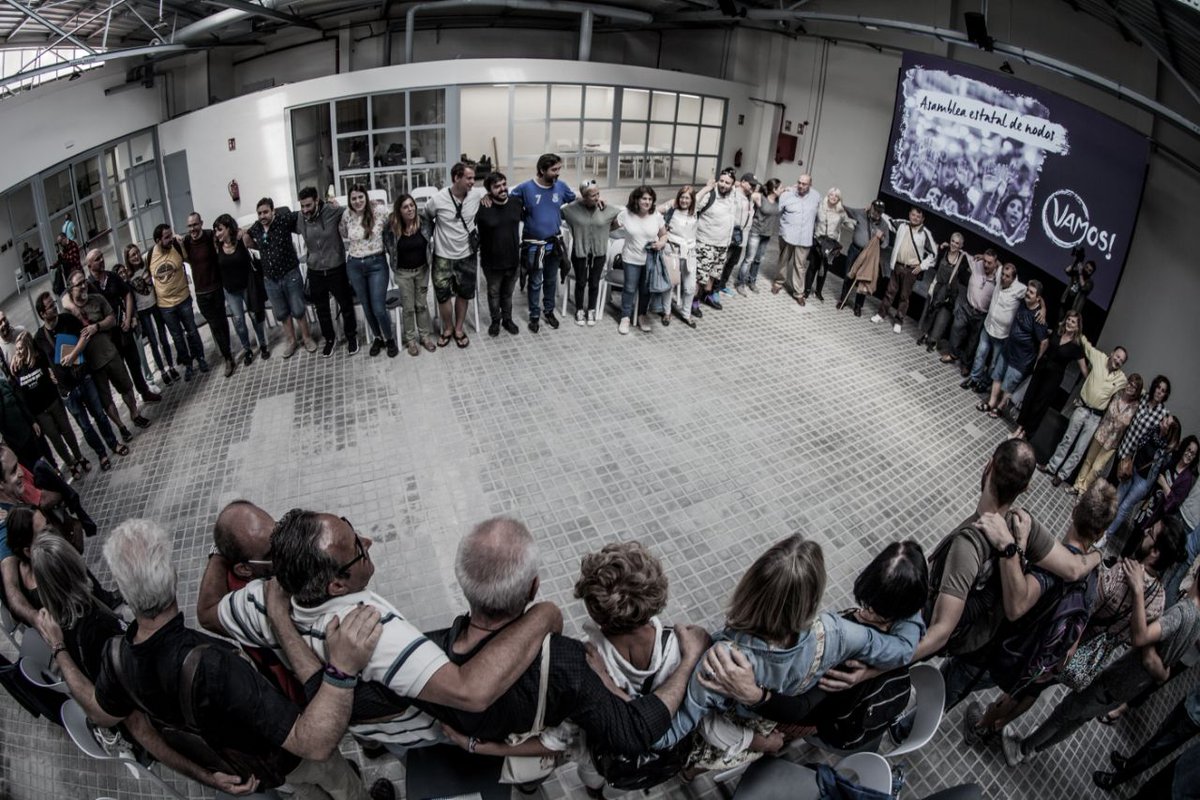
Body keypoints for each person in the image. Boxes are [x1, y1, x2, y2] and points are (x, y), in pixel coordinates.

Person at [55, 518, 380, 798]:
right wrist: (342, 668)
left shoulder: (115, 658)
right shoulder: (213, 665)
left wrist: (204, 775)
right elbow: (313, 744)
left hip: (251, 767)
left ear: (123, 590)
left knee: (308, 793)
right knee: (341, 784)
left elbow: (132, 727)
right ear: (172, 574)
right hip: (288, 755)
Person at [214, 509, 565, 753]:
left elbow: (205, 613)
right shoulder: (373, 633)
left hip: (364, 723)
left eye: (353, 530)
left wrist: (220, 555)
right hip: (412, 732)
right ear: (336, 586)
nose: (368, 541)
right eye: (357, 550)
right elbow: (470, 692)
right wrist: (546, 613)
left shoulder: (260, 599)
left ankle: (371, 744)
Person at [417, 522, 708, 772]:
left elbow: (556, 743)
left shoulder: (585, 661)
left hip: (601, 761)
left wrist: (477, 747)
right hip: (665, 756)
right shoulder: (685, 644)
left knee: (593, 779)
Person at [652, 534, 924, 774]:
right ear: (813, 597)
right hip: (770, 723)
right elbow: (902, 650)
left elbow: (665, 735)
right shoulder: (836, 633)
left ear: (750, 586)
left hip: (745, 728)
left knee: (700, 759)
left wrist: (687, 662)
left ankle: (689, 772)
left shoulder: (721, 661)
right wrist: (907, 597)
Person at [905, 439, 1102, 710]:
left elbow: (941, 631)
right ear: (1026, 487)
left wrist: (890, 661)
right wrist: (1098, 555)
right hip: (979, 641)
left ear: (988, 467)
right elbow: (1074, 568)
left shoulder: (969, 544)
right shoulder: (1023, 524)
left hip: (946, 638)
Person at [957, 480, 1115, 746]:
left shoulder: (1054, 565)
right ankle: (986, 725)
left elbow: (1017, 605)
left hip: (1000, 651)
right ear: (1100, 534)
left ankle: (907, 725)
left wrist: (1014, 547)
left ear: (1074, 510)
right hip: (1029, 666)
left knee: (953, 680)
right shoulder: (1093, 579)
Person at [1006, 559, 1200, 765]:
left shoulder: (1181, 613)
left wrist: (1137, 592)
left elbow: (1141, 638)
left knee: (1065, 713)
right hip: (1129, 687)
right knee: (1077, 719)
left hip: (1119, 680)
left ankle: (1021, 750)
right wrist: (1159, 666)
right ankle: (1036, 747)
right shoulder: (1197, 621)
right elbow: (1166, 670)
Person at [194, 500, 306, 704]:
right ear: (244, 569)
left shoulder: (228, 579)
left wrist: (219, 551)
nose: (284, 549)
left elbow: (206, 609)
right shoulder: (253, 603)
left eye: (278, 530)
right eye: (271, 554)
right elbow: (206, 614)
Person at [32, 292, 126, 472]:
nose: (54, 307)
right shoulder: (39, 337)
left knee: (99, 414)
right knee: (85, 425)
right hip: (67, 390)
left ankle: (113, 444)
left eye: (53, 303)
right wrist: (50, 374)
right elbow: (42, 363)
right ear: (43, 314)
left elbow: (85, 336)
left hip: (84, 378)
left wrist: (74, 354)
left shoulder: (67, 319)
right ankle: (101, 454)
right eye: (50, 306)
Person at [65, 269, 150, 436]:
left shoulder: (97, 299)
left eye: (84, 282)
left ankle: (135, 414)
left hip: (111, 353)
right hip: (93, 365)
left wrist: (96, 326)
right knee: (106, 400)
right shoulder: (68, 313)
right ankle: (121, 427)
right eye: (79, 284)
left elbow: (111, 319)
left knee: (126, 386)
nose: (83, 286)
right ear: (70, 289)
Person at [1041, 339, 1129, 486]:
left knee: (1079, 449)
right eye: (1118, 356)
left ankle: (1061, 475)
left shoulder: (1121, 379)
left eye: (1122, 360)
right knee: (1067, 440)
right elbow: (1086, 345)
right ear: (1112, 353)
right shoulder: (1099, 357)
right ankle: (1051, 467)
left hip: (1095, 417)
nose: (1118, 360)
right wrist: (1078, 332)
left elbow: (1136, 387)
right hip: (1082, 408)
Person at [82, 249, 163, 404]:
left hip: (123, 330)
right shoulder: (89, 286)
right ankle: (131, 402)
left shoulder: (112, 277)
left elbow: (126, 293)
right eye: (97, 259)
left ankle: (144, 392)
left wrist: (129, 317)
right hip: (108, 337)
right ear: (89, 264)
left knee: (134, 363)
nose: (101, 260)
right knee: (120, 372)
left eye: (101, 256)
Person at [244, 198, 318, 359]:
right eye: (259, 213)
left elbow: (302, 214)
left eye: (265, 212)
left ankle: (307, 338)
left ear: (273, 211)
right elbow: (246, 238)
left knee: (298, 309)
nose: (262, 215)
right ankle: (291, 341)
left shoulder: (284, 220)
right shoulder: (256, 228)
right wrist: (258, 247)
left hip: (290, 274)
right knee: (282, 313)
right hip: (270, 279)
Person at [510, 153, 576, 332]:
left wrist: (596, 199)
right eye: (554, 169)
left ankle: (549, 311)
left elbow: (575, 199)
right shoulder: (525, 188)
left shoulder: (561, 187)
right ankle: (534, 315)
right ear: (542, 170)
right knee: (535, 281)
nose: (558, 173)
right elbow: (509, 201)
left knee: (550, 280)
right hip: (533, 244)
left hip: (554, 243)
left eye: (559, 169)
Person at [1092, 681, 1200, 790]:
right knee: (1157, 738)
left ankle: (1115, 780)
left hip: (1194, 720)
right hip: (1190, 702)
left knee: (1155, 751)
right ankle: (1128, 764)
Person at [8, 331, 86, 480]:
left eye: (21, 348)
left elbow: (49, 363)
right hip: (39, 412)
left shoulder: (39, 358)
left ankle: (79, 457)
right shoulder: (17, 368)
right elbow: (21, 396)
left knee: (67, 431)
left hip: (53, 402)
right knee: (55, 438)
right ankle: (71, 464)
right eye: (17, 349)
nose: (18, 351)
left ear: (29, 347)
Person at [291, 186, 356, 358]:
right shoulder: (299, 217)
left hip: (336, 268)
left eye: (308, 205)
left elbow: (354, 210)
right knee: (322, 309)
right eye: (302, 206)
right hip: (315, 271)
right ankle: (329, 339)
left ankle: (351, 337)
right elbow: (279, 218)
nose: (305, 210)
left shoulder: (332, 211)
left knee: (346, 305)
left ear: (317, 200)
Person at [422, 162, 481, 347]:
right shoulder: (438, 199)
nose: (473, 182)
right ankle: (447, 328)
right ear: (456, 178)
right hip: (443, 256)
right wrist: (427, 245)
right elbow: (425, 216)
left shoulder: (477, 196)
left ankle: (458, 329)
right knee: (443, 295)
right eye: (469, 178)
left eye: (473, 178)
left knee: (464, 294)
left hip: (467, 255)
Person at [976, 279, 1049, 419]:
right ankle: (991, 402)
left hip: (1021, 360)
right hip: (1007, 350)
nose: (1027, 293)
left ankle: (1000, 407)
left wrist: (1037, 362)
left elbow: (1044, 342)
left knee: (1008, 385)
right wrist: (1043, 305)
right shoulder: (1023, 302)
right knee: (997, 376)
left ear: (1038, 298)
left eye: (1031, 293)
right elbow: (1031, 294)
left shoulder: (1039, 318)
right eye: (1028, 290)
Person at [1011, 309, 1087, 442]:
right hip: (1041, 369)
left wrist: (1090, 384)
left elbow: (1084, 370)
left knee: (1039, 405)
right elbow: (1044, 344)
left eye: (1073, 321)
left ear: (1077, 327)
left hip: (1053, 378)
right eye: (1068, 319)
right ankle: (1019, 428)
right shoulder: (1057, 332)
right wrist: (1037, 361)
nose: (1069, 322)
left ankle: (1026, 433)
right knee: (1029, 397)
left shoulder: (1076, 347)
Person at [148, 224, 209, 378]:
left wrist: (179, 242)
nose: (170, 239)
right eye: (166, 237)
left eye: (171, 235)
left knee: (192, 330)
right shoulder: (150, 255)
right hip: (165, 306)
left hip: (183, 299)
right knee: (177, 337)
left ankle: (201, 358)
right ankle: (188, 364)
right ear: (157, 240)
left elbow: (189, 259)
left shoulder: (176, 245)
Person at [340, 185, 395, 357]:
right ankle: (377, 337)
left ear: (366, 197)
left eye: (360, 197)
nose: (357, 201)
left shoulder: (379, 210)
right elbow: (342, 232)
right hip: (354, 265)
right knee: (367, 306)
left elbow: (396, 217)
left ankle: (389, 338)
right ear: (350, 200)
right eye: (354, 198)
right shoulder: (347, 214)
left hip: (376, 263)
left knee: (378, 307)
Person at [181, 213, 237, 377]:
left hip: (216, 288)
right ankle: (227, 354)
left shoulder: (210, 235)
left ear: (201, 223)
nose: (193, 229)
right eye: (190, 226)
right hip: (201, 292)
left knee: (221, 322)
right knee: (215, 324)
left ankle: (227, 357)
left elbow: (228, 235)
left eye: (195, 225)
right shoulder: (186, 242)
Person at [1107, 416, 1183, 536]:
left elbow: (1162, 469)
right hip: (1132, 470)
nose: (1162, 420)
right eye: (1165, 418)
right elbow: (1139, 446)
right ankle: (1102, 526)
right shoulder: (1153, 430)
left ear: (1169, 431)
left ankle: (1107, 534)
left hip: (1143, 481)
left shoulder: (1167, 451)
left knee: (1124, 507)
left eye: (1165, 422)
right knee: (1116, 499)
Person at [383, 194, 437, 354]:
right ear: (399, 210)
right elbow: (387, 244)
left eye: (412, 205)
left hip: (422, 271)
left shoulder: (424, 223)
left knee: (421, 305)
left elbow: (437, 222)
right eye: (405, 207)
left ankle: (425, 337)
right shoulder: (392, 227)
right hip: (403, 273)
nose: (410, 209)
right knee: (408, 308)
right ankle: (411, 340)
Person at [213, 214, 269, 364]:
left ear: (229, 228)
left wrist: (245, 232)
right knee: (239, 322)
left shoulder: (241, 240)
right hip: (231, 291)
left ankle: (262, 344)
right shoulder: (216, 246)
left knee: (254, 317)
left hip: (247, 286)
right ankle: (247, 350)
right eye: (215, 230)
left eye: (219, 230)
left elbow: (260, 244)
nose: (217, 233)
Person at [561, 179, 619, 326]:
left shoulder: (605, 209)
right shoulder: (571, 210)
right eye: (593, 195)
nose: (597, 197)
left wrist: (604, 231)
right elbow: (556, 212)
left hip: (599, 253)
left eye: (598, 194)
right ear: (584, 196)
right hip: (580, 252)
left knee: (594, 283)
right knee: (580, 282)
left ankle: (591, 309)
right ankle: (579, 309)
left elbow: (621, 218)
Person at [1072, 375, 1144, 493]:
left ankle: (1083, 490)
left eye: (1134, 387)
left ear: (1137, 391)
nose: (1130, 387)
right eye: (1129, 383)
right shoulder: (1117, 394)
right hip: (1101, 432)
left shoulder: (1135, 406)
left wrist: (1117, 418)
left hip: (1113, 441)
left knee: (1097, 468)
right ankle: (1076, 486)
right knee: (1088, 461)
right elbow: (1109, 411)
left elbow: (1125, 421)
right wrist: (1117, 419)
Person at [475, 173, 526, 338]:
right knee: (493, 294)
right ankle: (495, 321)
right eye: (497, 186)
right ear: (489, 191)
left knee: (508, 294)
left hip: (512, 260)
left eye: (504, 184)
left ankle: (507, 320)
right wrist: (482, 198)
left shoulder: (516, 203)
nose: (503, 188)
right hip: (491, 263)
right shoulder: (482, 207)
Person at [872, 207, 937, 333]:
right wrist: (876, 209)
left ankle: (898, 321)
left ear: (922, 219)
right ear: (909, 214)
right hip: (897, 265)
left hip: (911, 270)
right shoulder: (902, 224)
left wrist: (922, 266)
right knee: (889, 292)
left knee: (904, 297)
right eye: (913, 215)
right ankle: (880, 315)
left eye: (918, 216)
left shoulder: (925, 233)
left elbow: (933, 254)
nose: (915, 218)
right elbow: (888, 220)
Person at [615, 185, 668, 335]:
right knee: (629, 288)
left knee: (645, 290)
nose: (647, 202)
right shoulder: (626, 214)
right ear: (636, 199)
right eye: (644, 198)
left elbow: (664, 234)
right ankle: (625, 317)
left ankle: (641, 315)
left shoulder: (656, 215)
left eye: (650, 199)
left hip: (650, 259)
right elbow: (610, 226)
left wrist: (662, 243)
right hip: (631, 258)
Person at [123, 244, 178, 385]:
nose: (135, 257)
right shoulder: (128, 277)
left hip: (155, 306)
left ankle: (171, 366)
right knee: (153, 342)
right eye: (132, 256)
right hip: (143, 311)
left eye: (136, 253)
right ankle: (163, 371)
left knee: (163, 338)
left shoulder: (146, 266)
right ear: (128, 259)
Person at [693, 168, 741, 311]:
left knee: (713, 274)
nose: (723, 185)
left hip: (723, 244)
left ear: (732, 185)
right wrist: (707, 187)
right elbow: (693, 204)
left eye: (727, 183)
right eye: (721, 181)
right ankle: (693, 302)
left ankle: (706, 296)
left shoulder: (732, 195)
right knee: (700, 276)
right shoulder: (710, 194)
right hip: (706, 242)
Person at [943, 249, 999, 371]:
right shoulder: (977, 264)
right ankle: (953, 354)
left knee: (973, 341)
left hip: (982, 314)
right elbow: (963, 252)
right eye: (985, 261)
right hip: (967, 306)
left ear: (995, 263)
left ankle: (965, 364)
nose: (986, 264)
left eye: (990, 263)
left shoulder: (999, 277)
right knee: (956, 327)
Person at [837, 199, 892, 317]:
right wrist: (839, 202)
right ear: (871, 207)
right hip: (855, 250)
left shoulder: (884, 225)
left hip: (869, 255)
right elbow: (848, 210)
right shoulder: (861, 213)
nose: (876, 213)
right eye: (875, 210)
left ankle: (858, 306)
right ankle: (843, 299)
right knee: (849, 274)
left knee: (864, 279)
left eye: (879, 212)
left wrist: (881, 238)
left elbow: (886, 243)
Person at [772, 173, 820, 306]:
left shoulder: (816, 196)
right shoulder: (787, 194)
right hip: (788, 235)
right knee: (783, 260)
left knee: (800, 266)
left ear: (810, 185)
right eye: (799, 182)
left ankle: (799, 293)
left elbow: (818, 216)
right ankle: (778, 282)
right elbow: (777, 211)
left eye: (804, 184)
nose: (800, 186)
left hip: (805, 237)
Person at [917, 232, 968, 352]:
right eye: (952, 241)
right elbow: (932, 253)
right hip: (936, 288)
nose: (954, 244)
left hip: (949, 293)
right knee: (930, 312)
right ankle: (925, 335)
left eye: (957, 243)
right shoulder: (943, 251)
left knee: (942, 317)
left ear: (961, 245)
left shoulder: (962, 259)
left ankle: (933, 341)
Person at [734, 178, 782, 295]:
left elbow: (789, 191)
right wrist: (747, 183)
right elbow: (745, 189)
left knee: (758, 260)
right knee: (749, 259)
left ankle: (752, 282)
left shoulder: (779, 201)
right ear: (774, 189)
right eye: (780, 188)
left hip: (767, 235)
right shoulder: (760, 197)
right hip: (755, 232)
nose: (782, 189)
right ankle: (740, 283)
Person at [661, 185, 699, 327]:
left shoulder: (696, 211)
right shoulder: (672, 209)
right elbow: (654, 211)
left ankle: (686, 314)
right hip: (672, 250)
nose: (684, 200)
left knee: (689, 287)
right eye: (682, 197)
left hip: (690, 252)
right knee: (670, 284)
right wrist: (663, 228)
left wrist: (709, 187)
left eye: (687, 198)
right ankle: (666, 312)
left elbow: (701, 195)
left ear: (692, 200)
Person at [806, 186, 853, 302]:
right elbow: (811, 219)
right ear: (828, 195)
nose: (833, 197)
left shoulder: (841, 211)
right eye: (832, 194)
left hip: (831, 245)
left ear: (839, 199)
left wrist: (857, 225)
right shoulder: (820, 207)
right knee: (813, 266)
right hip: (818, 241)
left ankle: (818, 292)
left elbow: (849, 223)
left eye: (836, 196)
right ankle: (806, 290)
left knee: (824, 268)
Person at [1118, 375, 1173, 470]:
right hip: (1122, 446)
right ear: (1154, 387)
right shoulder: (1143, 397)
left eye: (1163, 391)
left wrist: (1170, 421)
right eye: (1158, 387)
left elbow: (1162, 439)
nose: (1159, 392)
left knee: (1117, 483)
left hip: (1133, 459)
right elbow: (1135, 389)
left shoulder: (1164, 414)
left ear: (1165, 395)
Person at [714, 172, 755, 297]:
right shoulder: (734, 194)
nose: (753, 187)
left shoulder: (750, 197)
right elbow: (721, 187)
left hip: (742, 237)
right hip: (731, 235)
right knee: (723, 261)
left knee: (732, 262)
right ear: (742, 182)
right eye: (751, 184)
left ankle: (722, 285)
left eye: (754, 185)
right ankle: (714, 288)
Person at [0, 310, 26, 375]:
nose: (4, 323)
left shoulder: (21, 331)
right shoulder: (0, 348)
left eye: (4, 319)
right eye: (0, 323)